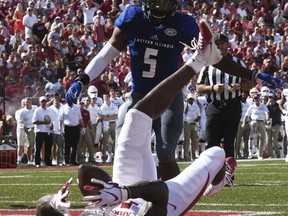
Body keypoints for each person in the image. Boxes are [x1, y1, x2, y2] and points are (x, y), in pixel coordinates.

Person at [65, 0, 283, 180]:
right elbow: (107, 53)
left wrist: (253, 75)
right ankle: (127, 198)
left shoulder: (184, 23)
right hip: (139, 95)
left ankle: (171, 202)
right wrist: (82, 79)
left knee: (166, 151)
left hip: (169, 97)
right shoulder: (133, 16)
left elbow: (213, 57)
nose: (159, 4)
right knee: (123, 147)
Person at [37, 24, 236, 215]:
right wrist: (124, 193)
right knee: (216, 153)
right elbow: (159, 192)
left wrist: (54, 205)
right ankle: (199, 60)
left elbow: (84, 171)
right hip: (164, 199)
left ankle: (201, 58)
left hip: (123, 193)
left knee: (135, 116)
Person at [196, 33, 253, 158]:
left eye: (222, 43)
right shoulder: (208, 64)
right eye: (217, 44)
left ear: (228, 44)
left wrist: (240, 86)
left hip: (233, 105)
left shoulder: (238, 63)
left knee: (229, 142)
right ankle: (211, 174)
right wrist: (212, 88)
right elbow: (198, 87)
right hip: (214, 106)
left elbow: (251, 83)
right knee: (211, 142)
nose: (220, 46)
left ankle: (228, 175)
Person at [32, 96, 54, 167]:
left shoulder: (49, 110)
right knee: (38, 147)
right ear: (40, 102)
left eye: (44, 101)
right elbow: (34, 121)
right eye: (42, 101)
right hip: (40, 131)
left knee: (48, 147)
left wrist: (51, 125)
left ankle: (48, 161)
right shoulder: (37, 110)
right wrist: (44, 123)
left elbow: (51, 120)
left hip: (48, 131)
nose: (43, 103)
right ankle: (37, 162)